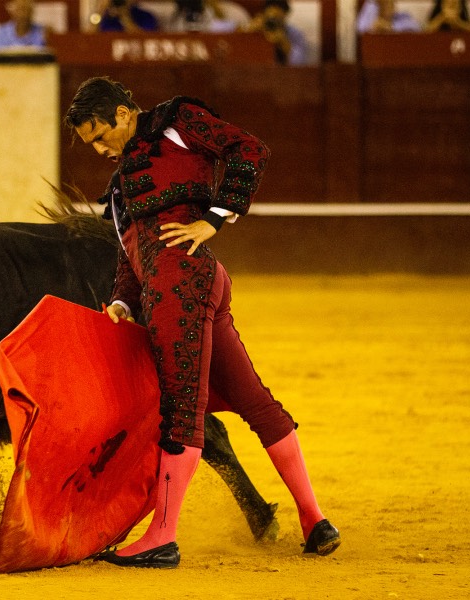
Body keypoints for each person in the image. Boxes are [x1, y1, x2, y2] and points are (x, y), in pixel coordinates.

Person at [64, 76, 340, 568]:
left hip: (180, 286)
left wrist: (215, 215)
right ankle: (314, 521)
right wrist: (123, 303)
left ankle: (163, 537)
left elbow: (248, 149)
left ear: (123, 113)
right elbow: (131, 256)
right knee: (256, 402)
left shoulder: (176, 123)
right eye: (92, 144)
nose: (100, 148)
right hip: (183, 285)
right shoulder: (120, 184)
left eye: (101, 135)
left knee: (181, 409)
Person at [241, 0, 309, 65]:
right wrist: (248, 32)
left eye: (278, 19)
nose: (274, 23)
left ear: (285, 14)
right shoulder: (257, 28)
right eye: (271, 19)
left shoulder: (294, 34)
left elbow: (300, 63)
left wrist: (283, 42)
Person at [356, 0, 422, 34]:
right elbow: (360, 29)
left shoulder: (403, 17)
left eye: (390, 2)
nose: (387, 6)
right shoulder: (369, 16)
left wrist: (391, 28)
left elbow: (417, 29)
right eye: (383, 3)